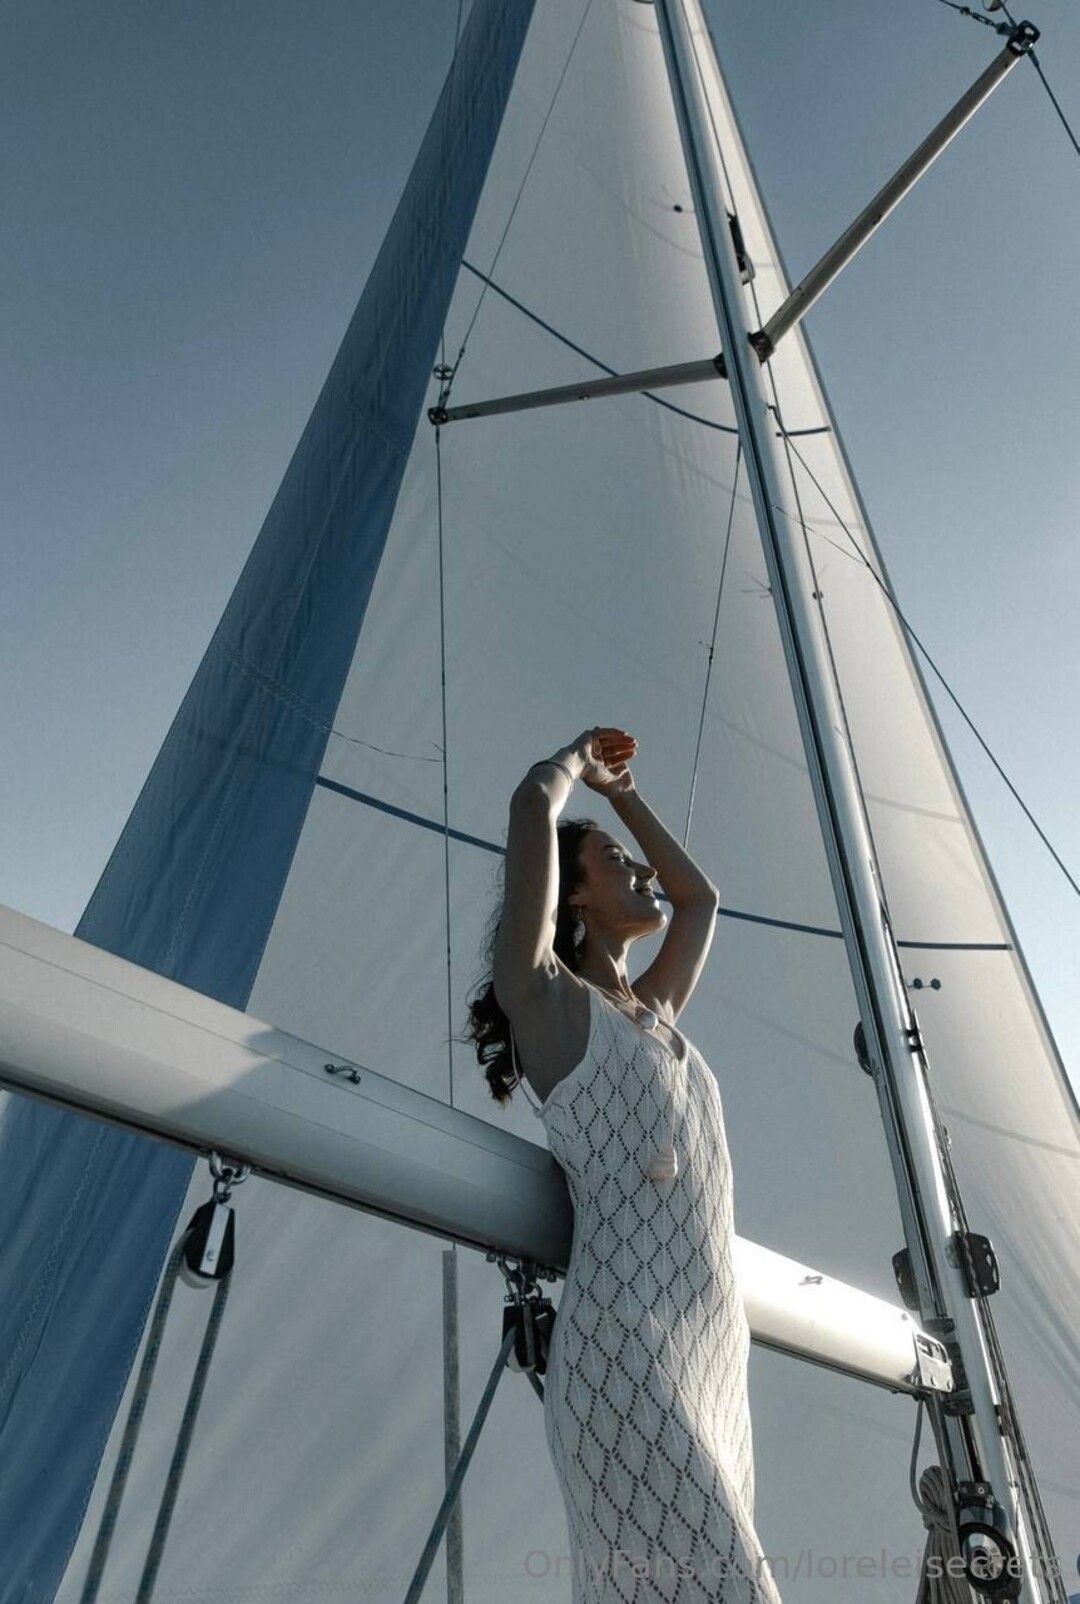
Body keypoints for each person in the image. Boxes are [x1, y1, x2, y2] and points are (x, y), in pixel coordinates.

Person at [467, 728, 782, 1602]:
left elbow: (701, 900)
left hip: (715, 1361)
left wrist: (627, 799)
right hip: (629, 1357)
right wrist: (576, 769)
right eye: (616, 860)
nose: (643, 871)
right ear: (572, 895)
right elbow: (532, 804)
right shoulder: (549, 1003)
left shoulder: (654, 1015)